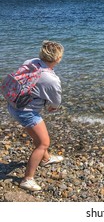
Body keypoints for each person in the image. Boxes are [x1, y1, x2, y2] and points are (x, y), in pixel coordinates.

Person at [6, 40, 64, 191]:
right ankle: (27, 179)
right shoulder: (51, 79)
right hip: (27, 112)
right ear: (58, 59)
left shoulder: (31, 62)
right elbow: (56, 101)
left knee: (37, 136)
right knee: (43, 143)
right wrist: (53, 107)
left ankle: (46, 158)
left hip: (14, 104)